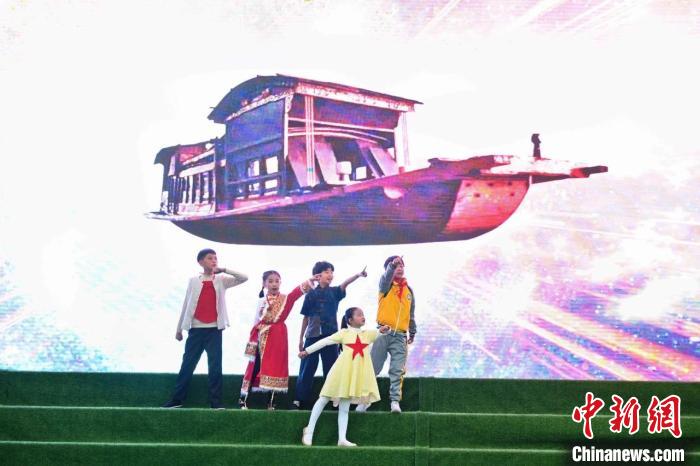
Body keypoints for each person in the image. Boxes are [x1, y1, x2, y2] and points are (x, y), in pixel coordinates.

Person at [163, 249, 248, 409]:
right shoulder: (193, 281)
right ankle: (177, 400)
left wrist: (224, 269)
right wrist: (179, 329)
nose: (214, 260)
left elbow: (244, 278)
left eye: (215, 258)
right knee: (188, 364)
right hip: (196, 329)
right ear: (201, 262)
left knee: (215, 366)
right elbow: (186, 304)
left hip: (214, 330)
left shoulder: (221, 280)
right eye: (210, 258)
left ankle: (215, 402)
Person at [300, 307, 389, 446]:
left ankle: (342, 438)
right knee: (323, 399)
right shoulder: (344, 333)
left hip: (352, 377)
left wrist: (385, 329)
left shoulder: (367, 334)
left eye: (363, 314)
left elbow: (380, 332)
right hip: (340, 373)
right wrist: (307, 351)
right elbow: (325, 341)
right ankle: (309, 430)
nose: (362, 317)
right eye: (359, 315)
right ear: (350, 320)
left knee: (345, 407)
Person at [293, 261, 366, 409]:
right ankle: (300, 399)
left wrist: (358, 275)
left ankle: (334, 399)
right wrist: (300, 339)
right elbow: (305, 318)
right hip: (312, 336)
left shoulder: (335, 292)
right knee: (307, 369)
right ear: (318, 275)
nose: (330, 275)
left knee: (332, 369)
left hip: (331, 336)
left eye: (332, 272)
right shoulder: (310, 294)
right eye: (327, 272)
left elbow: (345, 284)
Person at [239, 271, 315, 409]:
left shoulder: (285, 299)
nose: (274, 284)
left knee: (275, 367)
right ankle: (243, 399)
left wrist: (310, 280)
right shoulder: (261, 301)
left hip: (278, 337)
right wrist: (253, 340)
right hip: (262, 335)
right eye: (270, 281)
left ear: (280, 282)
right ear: (264, 284)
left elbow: (296, 293)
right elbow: (256, 321)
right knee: (255, 366)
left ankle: (271, 401)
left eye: (277, 281)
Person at [356, 255, 416, 414]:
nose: (400, 268)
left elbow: (411, 314)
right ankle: (365, 400)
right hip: (383, 332)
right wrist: (392, 266)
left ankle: (395, 401)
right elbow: (386, 277)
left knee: (397, 369)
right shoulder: (385, 286)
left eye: (402, 265)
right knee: (373, 367)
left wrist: (412, 331)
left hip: (400, 336)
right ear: (389, 269)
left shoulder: (409, 291)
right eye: (397, 266)